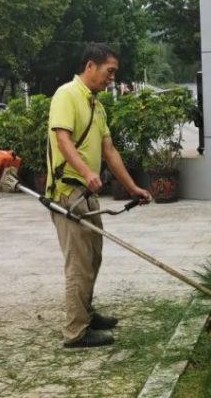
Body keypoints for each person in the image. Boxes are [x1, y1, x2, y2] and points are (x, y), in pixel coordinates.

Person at [46, 43, 152, 348]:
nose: (112, 79)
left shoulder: (96, 105)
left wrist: (132, 187)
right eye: (110, 71)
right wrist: (88, 172)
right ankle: (75, 333)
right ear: (90, 66)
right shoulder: (66, 94)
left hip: (86, 195)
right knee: (79, 264)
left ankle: (86, 314)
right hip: (67, 194)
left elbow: (110, 151)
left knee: (93, 258)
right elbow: (62, 139)